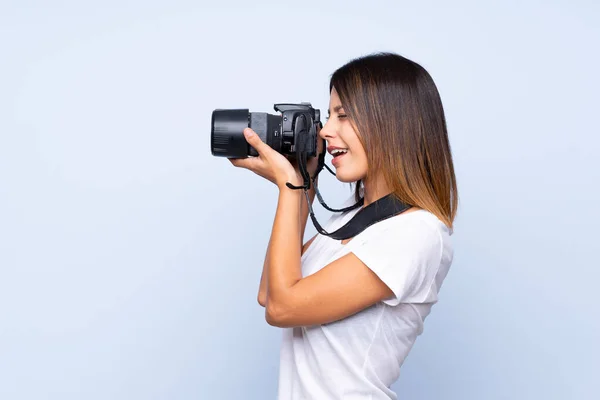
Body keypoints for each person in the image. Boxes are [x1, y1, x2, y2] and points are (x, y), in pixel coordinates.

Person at [229, 52, 458, 399]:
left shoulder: (418, 233)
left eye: (344, 116)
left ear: (391, 124)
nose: (325, 131)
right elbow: (270, 294)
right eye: (328, 116)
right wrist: (302, 184)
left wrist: (289, 190)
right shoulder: (347, 224)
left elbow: (283, 308)